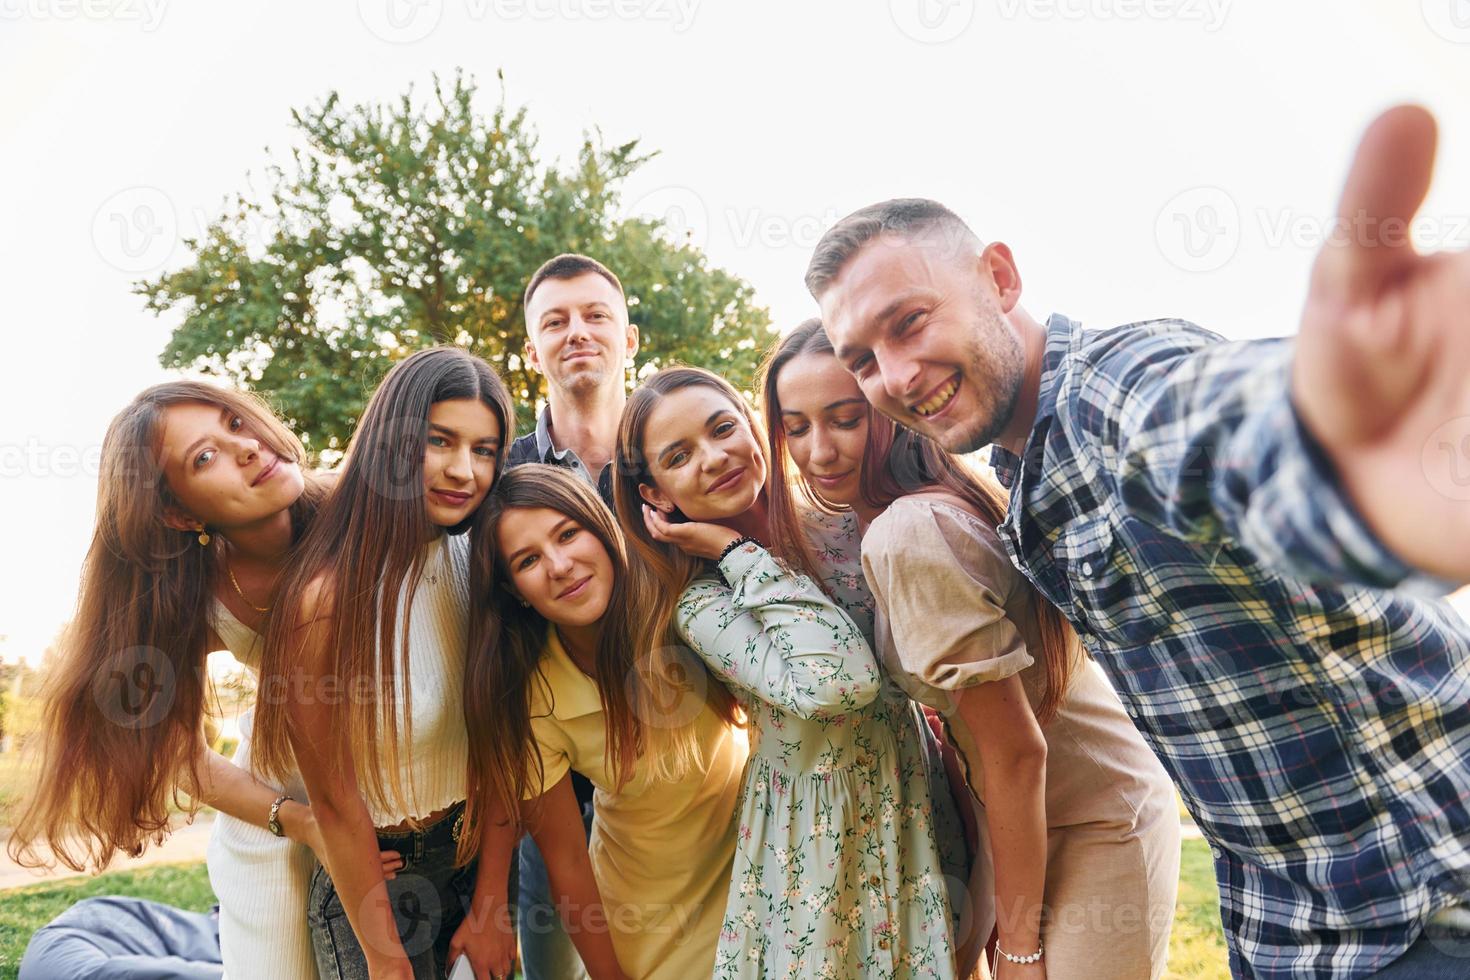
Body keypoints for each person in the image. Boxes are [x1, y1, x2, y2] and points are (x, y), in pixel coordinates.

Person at [805, 106, 1470, 979]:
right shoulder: (1025, 470)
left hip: (1418, 915)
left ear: (999, 277)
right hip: (1288, 931)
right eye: (861, 358)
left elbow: (1211, 423)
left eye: (911, 321)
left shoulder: (1108, 393)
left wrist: (1348, 451)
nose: (894, 376)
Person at [764, 319, 1182, 979]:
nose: (818, 450)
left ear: (890, 413)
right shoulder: (902, 515)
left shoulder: (910, 532)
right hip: (1029, 826)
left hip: (1095, 821)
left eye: (844, 419)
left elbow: (1017, 750)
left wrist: (1019, 947)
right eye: (795, 426)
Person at [7, 381, 399, 979]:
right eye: (204, 457)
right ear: (179, 512)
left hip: (406, 809)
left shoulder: (361, 515)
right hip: (281, 836)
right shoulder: (192, 597)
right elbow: (174, 750)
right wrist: (296, 821)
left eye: (236, 424)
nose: (246, 448)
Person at [615, 365, 961, 979]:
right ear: (656, 496)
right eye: (678, 455)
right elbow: (840, 682)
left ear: (753, 425)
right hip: (813, 835)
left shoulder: (850, 525)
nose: (715, 456)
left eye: (723, 428)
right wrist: (732, 551)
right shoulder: (703, 604)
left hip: (910, 798)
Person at [250, 346, 514, 980]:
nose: (462, 471)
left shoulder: (484, 561)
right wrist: (385, 960)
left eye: (483, 450)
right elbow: (336, 802)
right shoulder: (325, 598)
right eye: (439, 441)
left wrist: (491, 904)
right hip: (377, 886)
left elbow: (507, 747)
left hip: (477, 859)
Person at [451, 463, 747, 979]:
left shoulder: (675, 595)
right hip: (646, 912)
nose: (560, 565)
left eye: (568, 533)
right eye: (528, 560)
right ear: (516, 590)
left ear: (600, 526)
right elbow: (565, 861)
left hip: (756, 871)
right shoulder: (536, 695)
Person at [506, 252, 640, 978]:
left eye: (595, 315)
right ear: (534, 351)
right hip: (552, 777)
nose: (577, 332)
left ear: (630, 339)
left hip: (675, 770)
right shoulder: (503, 474)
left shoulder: (670, 456)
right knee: (552, 962)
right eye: (555, 322)